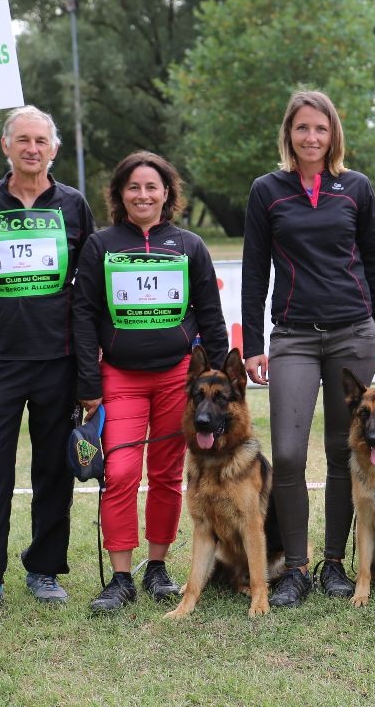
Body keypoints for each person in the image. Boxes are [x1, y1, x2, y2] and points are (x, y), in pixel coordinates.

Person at [241, 90, 375, 608]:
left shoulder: (356, 188)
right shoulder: (267, 190)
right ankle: (295, 568)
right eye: (303, 128)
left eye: (321, 129)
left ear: (334, 136)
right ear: (288, 134)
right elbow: (254, 270)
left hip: (354, 332)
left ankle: (333, 564)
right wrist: (253, 344)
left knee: (341, 451)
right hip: (292, 337)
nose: (312, 138)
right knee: (286, 453)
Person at [0, 105, 95, 622]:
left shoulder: (73, 204)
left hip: (60, 357)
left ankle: (44, 568)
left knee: (53, 470)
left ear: (52, 148)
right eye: (22, 140)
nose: (33, 148)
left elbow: (88, 282)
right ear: (5, 146)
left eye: (41, 140)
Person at [72, 151, 228, 613]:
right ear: (120, 194)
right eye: (134, 187)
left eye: (152, 187)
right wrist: (87, 381)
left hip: (177, 380)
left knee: (165, 475)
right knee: (119, 473)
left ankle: (158, 567)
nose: (143, 195)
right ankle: (121, 578)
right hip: (118, 377)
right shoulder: (101, 245)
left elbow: (211, 316)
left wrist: (218, 381)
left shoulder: (189, 245)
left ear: (167, 194)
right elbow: (83, 315)